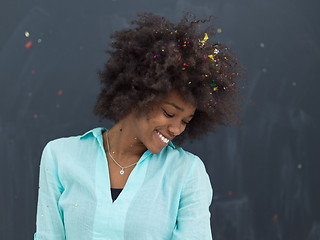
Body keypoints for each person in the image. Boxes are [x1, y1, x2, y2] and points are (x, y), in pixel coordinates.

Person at [34, 12, 243, 240]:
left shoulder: (186, 174)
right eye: (169, 113)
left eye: (185, 121)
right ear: (138, 94)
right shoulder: (60, 157)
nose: (176, 129)